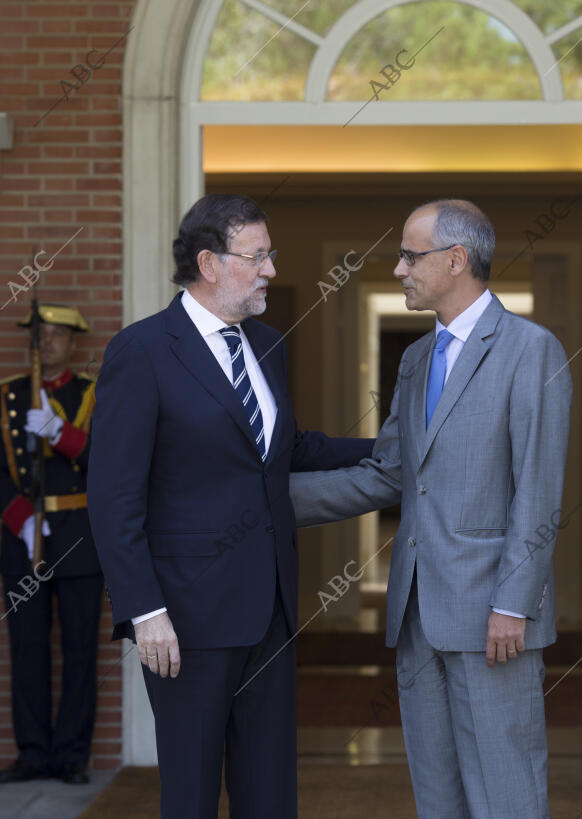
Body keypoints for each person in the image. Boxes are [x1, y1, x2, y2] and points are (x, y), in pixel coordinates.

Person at [87, 194, 374, 819]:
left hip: (269, 609)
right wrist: (145, 611)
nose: (272, 269)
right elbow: (113, 498)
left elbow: (285, 447)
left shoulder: (268, 343)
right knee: (190, 793)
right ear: (209, 263)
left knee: (269, 791)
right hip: (184, 619)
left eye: (270, 254)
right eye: (259, 256)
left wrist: (393, 449)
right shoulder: (142, 351)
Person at [290, 199, 572, 819]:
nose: (398, 270)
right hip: (417, 615)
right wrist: (263, 503)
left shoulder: (532, 350)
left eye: (410, 256)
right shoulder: (417, 360)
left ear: (456, 259)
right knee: (438, 796)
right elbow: (390, 474)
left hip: (495, 620)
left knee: (506, 793)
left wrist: (512, 604)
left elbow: (538, 488)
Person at [0, 304, 102, 785]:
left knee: (81, 650)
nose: (47, 342)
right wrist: (20, 519)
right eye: (41, 334)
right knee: (28, 647)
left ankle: (72, 755)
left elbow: (109, 462)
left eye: (57, 334)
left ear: (73, 342)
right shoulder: (10, 397)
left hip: (79, 534)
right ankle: (34, 752)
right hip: (25, 538)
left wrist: (61, 434)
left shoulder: (91, 395)